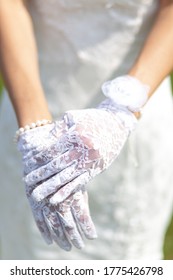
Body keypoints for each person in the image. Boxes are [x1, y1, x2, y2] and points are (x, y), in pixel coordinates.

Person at [0, 0, 173, 260]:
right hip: (28, 108)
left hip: (138, 113)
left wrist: (122, 110)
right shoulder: (32, 132)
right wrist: (35, 131)